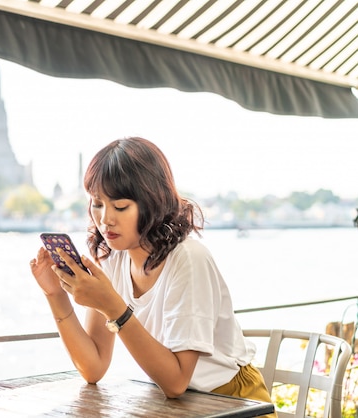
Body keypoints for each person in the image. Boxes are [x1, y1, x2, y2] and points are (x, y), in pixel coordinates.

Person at [29, 137, 275, 414]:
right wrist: (56, 296)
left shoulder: (188, 259)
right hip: (174, 406)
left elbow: (176, 381)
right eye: (97, 204)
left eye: (120, 206)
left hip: (233, 403)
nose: (105, 219)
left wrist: (112, 306)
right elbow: (93, 367)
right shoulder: (113, 257)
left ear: (152, 203)